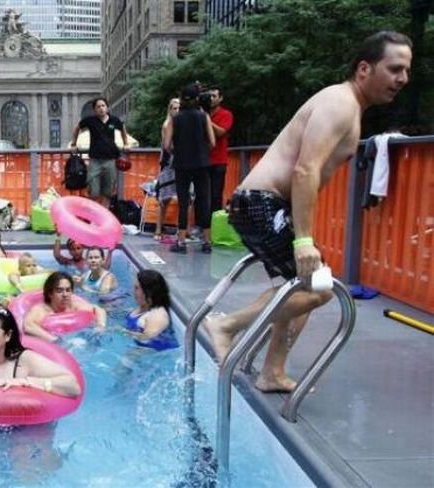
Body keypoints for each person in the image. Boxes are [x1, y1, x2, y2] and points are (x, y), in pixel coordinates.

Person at [205, 31, 412, 393]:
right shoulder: (341, 103)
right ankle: (226, 325)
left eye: (405, 70)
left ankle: (272, 371)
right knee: (317, 289)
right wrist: (303, 239)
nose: (402, 79)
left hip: (267, 203)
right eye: (394, 68)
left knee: (305, 284)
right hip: (261, 201)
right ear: (364, 68)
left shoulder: (348, 105)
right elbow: (306, 169)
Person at [163, 83, 215, 254]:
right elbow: (213, 142)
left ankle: (181, 242)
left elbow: (167, 144)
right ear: (197, 99)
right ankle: (207, 242)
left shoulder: (174, 119)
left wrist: (178, 150)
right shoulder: (203, 116)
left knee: (183, 202)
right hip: (201, 163)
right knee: (204, 201)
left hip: (182, 164)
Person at [70, 97, 130, 209]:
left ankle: (104, 215)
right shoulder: (90, 121)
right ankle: (94, 215)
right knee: (94, 190)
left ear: (107, 108)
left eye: (103, 106)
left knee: (108, 191)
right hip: (95, 161)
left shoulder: (114, 120)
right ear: (94, 109)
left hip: (110, 160)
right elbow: (77, 129)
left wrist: (125, 143)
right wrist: (74, 144)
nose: (101, 108)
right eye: (98, 106)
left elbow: (123, 129)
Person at [23, 271, 107, 342]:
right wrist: (55, 340)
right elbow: (28, 325)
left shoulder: (74, 305)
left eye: (68, 290)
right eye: (59, 290)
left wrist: (100, 326)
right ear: (50, 293)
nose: (65, 294)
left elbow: (99, 309)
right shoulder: (42, 309)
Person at [123, 270, 178, 351]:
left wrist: (121, 332)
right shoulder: (143, 307)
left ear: (149, 291)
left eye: (137, 288)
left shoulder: (158, 315)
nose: (133, 291)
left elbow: (147, 340)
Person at [154, 98, 180, 240]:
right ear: (169, 109)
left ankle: (183, 231)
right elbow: (167, 145)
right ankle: (158, 230)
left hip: (181, 163)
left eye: (179, 108)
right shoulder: (167, 124)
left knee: (187, 198)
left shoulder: (181, 123)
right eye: (174, 108)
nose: (177, 110)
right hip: (169, 164)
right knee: (164, 198)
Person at [208, 86, 234, 216]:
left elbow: (221, 132)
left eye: (214, 96)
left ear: (220, 98)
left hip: (218, 160)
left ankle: (215, 224)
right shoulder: (202, 114)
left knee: (216, 195)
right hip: (203, 159)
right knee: (202, 194)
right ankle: (202, 225)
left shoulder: (226, 114)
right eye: (209, 96)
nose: (211, 99)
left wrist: (207, 120)